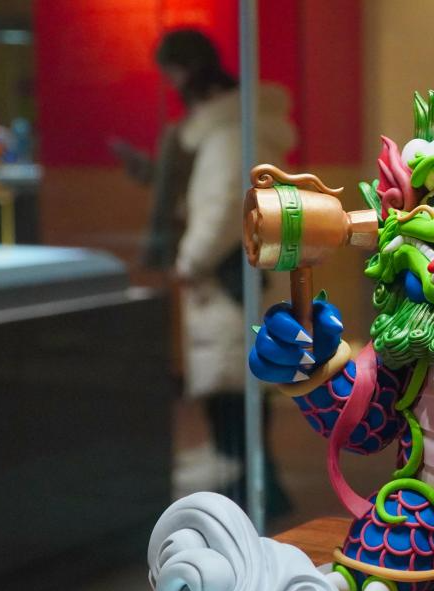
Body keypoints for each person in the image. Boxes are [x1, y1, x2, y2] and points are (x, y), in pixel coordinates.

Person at [138, 28, 295, 515]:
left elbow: (224, 209)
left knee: (231, 392)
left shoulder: (228, 133)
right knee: (240, 386)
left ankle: (249, 494)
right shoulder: (236, 126)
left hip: (225, 279)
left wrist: (189, 261)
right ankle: (256, 486)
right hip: (238, 274)